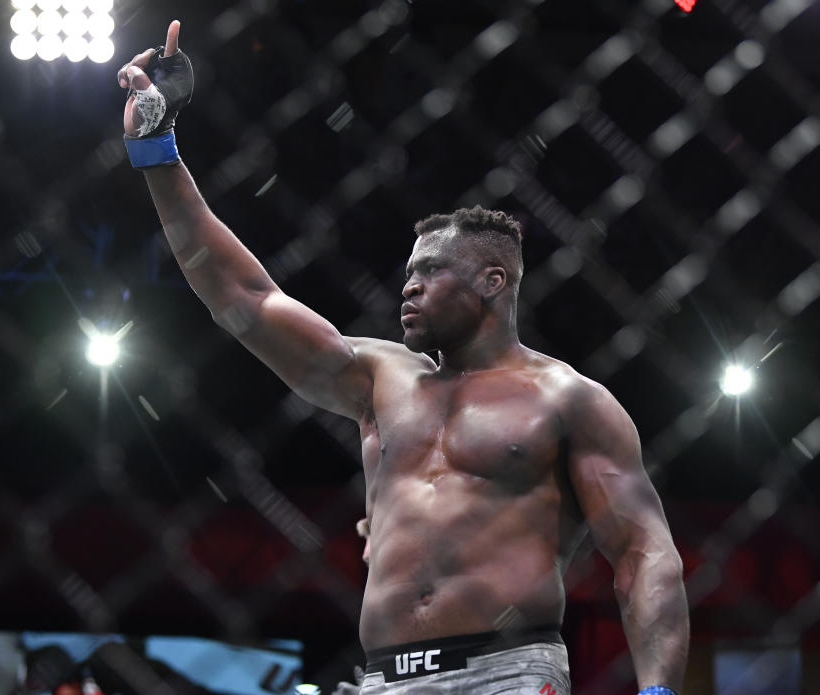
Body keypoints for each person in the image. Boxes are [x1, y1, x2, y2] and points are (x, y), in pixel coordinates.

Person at [118, 20, 689, 695]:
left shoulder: (567, 399)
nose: (407, 287)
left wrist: (657, 691)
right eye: (407, 274)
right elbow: (244, 295)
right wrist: (158, 152)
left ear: (491, 282)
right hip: (386, 679)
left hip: (507, 673)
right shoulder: (378, 378)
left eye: (429, 273)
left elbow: (643, 551)